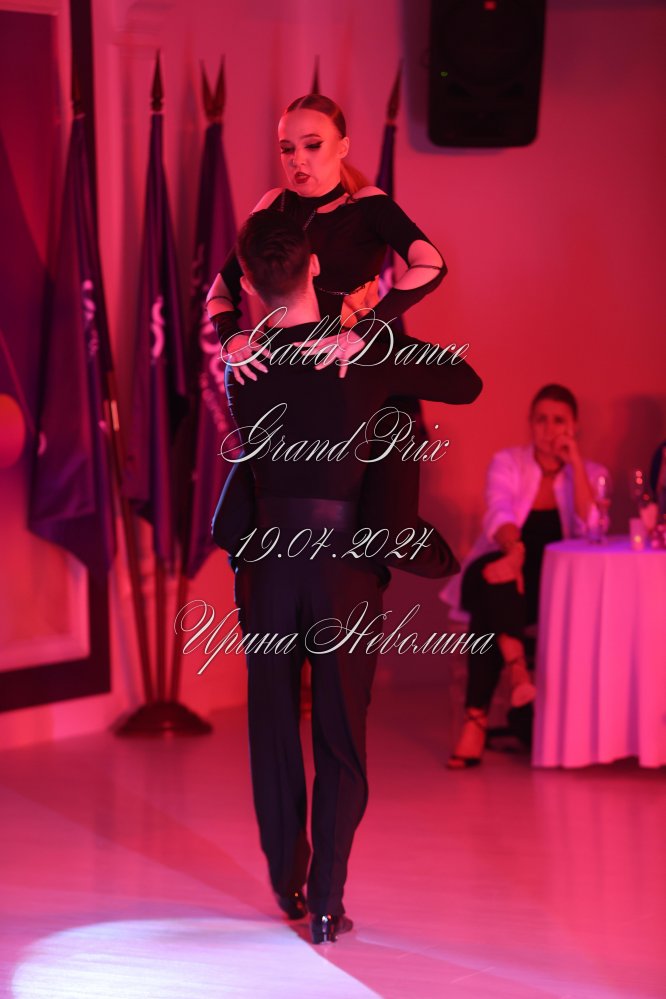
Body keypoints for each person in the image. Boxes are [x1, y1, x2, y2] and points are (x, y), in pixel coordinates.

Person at [225, 210, 482, 943]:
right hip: (341, 567)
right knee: (341, 732)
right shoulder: (361, 353)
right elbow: (466, 381)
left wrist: (235, 336)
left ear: (249, 285)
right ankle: (326, 901)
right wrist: (375, 334)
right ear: (315, 267)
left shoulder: (241, 361)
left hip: (269, 563)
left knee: (273, 725)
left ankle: (288, 881)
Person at [207, 93, 449, 559]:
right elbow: (219, 291)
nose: (297, 159)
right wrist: (231, 336)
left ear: (343, 146)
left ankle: (404, 550)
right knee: (248, 511)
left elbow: (431, 263)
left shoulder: (368, 205)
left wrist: (366, 330)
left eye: (312, 145)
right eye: (287, 148)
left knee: (384, 513)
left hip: (352, 363)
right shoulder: (274, 205)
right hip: (290, 367)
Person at [440, 385, 607, 768]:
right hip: (501, 563)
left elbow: (593, 527)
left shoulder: (592, 473)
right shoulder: (508, 462)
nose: (549, 429)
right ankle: (518, 670)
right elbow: (498, 511)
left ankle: (476, 720)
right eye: (541, 419)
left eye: (559, 421)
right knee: (492, 577)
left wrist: (574, 462)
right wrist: (514, 553)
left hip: (551, 590)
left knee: (490, 603)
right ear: (530, 423)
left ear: (574, 427)